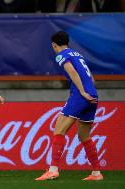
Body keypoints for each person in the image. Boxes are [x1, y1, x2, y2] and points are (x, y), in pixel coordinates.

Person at [35, 31, 103, 181]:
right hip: (93, 94)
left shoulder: (61, 55)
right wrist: (89, 91)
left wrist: (83, 92)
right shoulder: (77, 54)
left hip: (81, 95)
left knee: (59, 130)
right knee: (84, 136)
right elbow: (90, 76)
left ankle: (53, 170)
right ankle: (96, 173)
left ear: (54, 45)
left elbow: (73, 73)